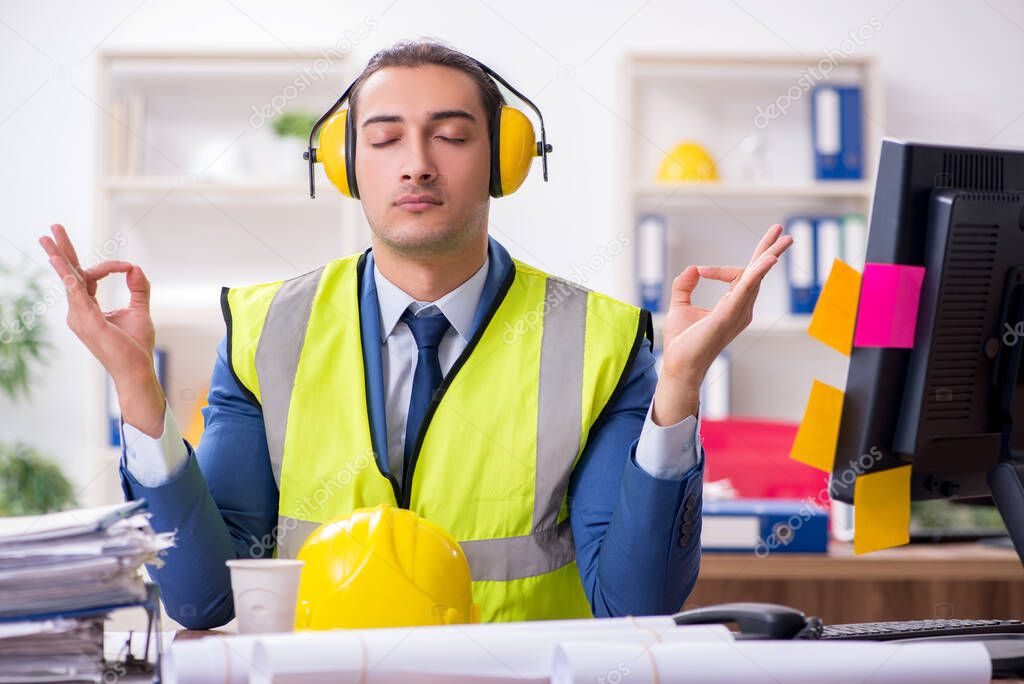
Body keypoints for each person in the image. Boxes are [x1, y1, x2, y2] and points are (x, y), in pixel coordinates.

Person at [39, 40, 791, 629]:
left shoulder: (604, 341)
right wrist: (136, 387)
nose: (418, 165)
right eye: (386, 138)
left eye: (452, 136)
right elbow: (207, 599)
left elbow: (634, 604)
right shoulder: (267, 332)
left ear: (504, 159)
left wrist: (678, 394)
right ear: (344, 164)